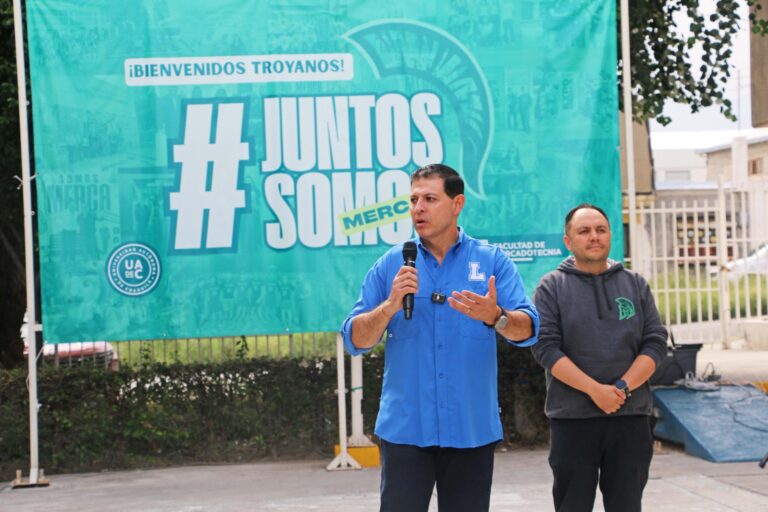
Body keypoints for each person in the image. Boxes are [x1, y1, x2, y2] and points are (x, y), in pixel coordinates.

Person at [340, 163, 539, 512]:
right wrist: (388, 307)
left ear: (457, 203)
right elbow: (354, 338)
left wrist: (497, 317)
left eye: (430, 198)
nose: (418, 208)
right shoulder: (392, 264)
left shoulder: (491, 262)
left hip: (470, 427)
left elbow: (528, 329)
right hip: (406, 429)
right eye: (414, 199)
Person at [532, 203, 668, 512]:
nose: (594, 237)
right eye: (584, 231)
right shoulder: (551, 287)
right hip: (573, 420)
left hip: (630, 417)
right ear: (568, 241)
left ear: (610, 236)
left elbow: (655, 343)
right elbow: (546, 348)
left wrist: (620, 389)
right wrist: (595, 391)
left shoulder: (635, 284)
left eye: (600, 230)